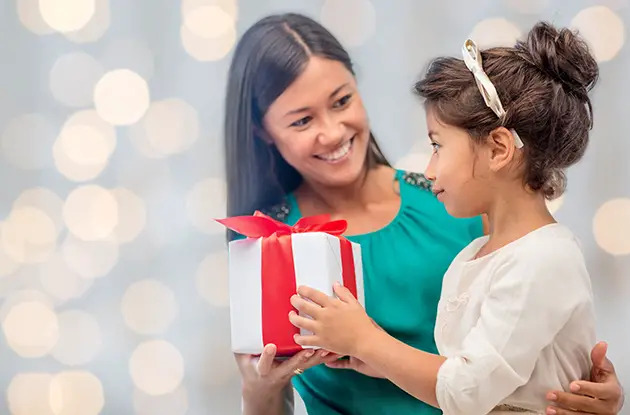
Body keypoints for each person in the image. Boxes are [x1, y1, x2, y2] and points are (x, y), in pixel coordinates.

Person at [223, 13, 625, 415]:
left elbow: (530, 340)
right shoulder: (271, 244)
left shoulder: (458, 200)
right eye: (302, 120)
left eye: (342, 101)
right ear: (263, 131)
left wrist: (587, 391)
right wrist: (257, 392)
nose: (331, 131)